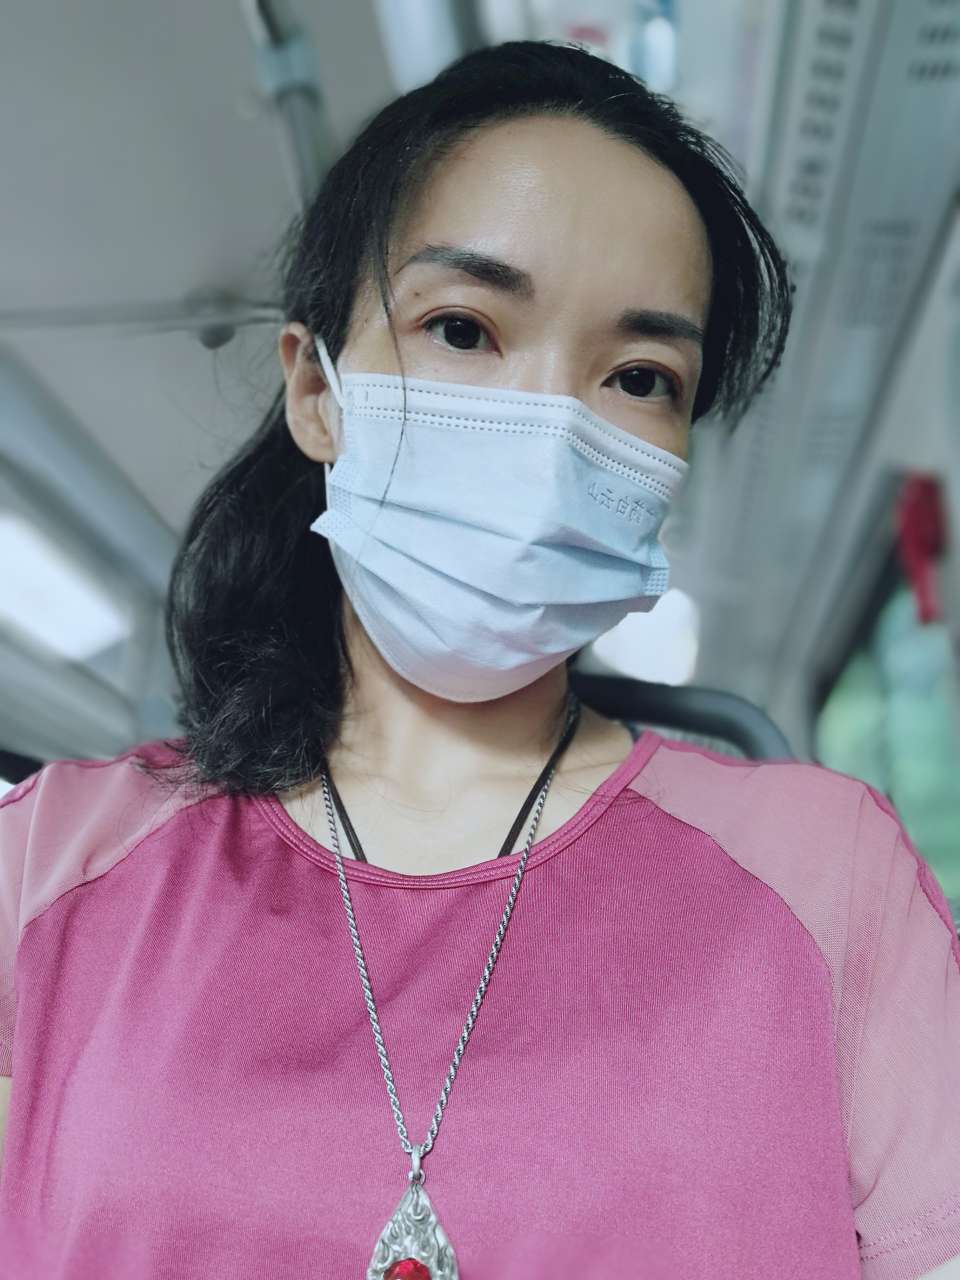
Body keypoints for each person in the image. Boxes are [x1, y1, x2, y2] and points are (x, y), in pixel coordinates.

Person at [2, 38, 959, 1280]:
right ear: (317, 393)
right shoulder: (45, 865)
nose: (549, 433)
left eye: (639, 376)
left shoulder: (832, 878)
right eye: (462, 327)